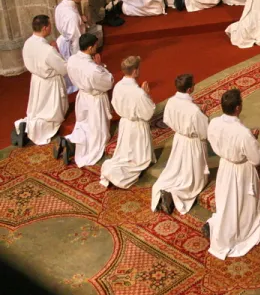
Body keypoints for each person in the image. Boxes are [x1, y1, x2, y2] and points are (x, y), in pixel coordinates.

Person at [203, 89, 260, 260]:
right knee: (242, 204)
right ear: (238, 108)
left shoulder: (214, 123)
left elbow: (213, 140)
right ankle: (234, 234)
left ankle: (218, 227)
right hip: (241, 170)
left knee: (226, 201)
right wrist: (253, 139)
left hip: (225, 166)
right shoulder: (242, 132)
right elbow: (257, 158)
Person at [151, 74, 210, 215]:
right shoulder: (193, 110)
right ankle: (174, 195)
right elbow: (204, 132)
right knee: (194, 181)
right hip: (193, 143)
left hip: (179, 139)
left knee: (177, 169)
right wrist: (204, 115)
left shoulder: (171, 101)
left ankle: (167, 192)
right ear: (190, 89)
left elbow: (167, 119)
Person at [56, 34, 113, 167]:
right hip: (95, 100)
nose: (97, 48)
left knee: (84, 125)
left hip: (82, 97)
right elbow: (108, 82)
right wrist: (101, 65)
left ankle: (71, 141)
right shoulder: (93, 69)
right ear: (90, 47)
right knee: (98, 134)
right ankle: (73, 146)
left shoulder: (72, 60)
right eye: (95, 46)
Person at [12, 15, 68, 147]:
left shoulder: (28, 43)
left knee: (38, 110)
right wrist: (57, 50)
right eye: (49, 25)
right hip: (50, 83)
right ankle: (34, 129)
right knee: (52, 115)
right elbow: (63, 68)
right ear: (45, 28)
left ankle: (24, 126)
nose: (50, 27)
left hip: (36, 80)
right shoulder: (48, 50)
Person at [100, 56, 156, 189]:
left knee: (126, 151)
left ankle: (114, 170)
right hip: (137, 125)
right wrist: (146, 95)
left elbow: (114, 104)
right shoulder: (138, 93)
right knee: (138, 158)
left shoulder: (118, 86)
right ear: (135, 71)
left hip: (125, 124)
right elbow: (148, 113)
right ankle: (117, 175)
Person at [55, 0, 89, 94]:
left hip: (63, 39)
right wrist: (80, 55)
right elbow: (76, 38)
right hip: (71, 43)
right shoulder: (71, 15)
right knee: (75, 66)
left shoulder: (61, 6)